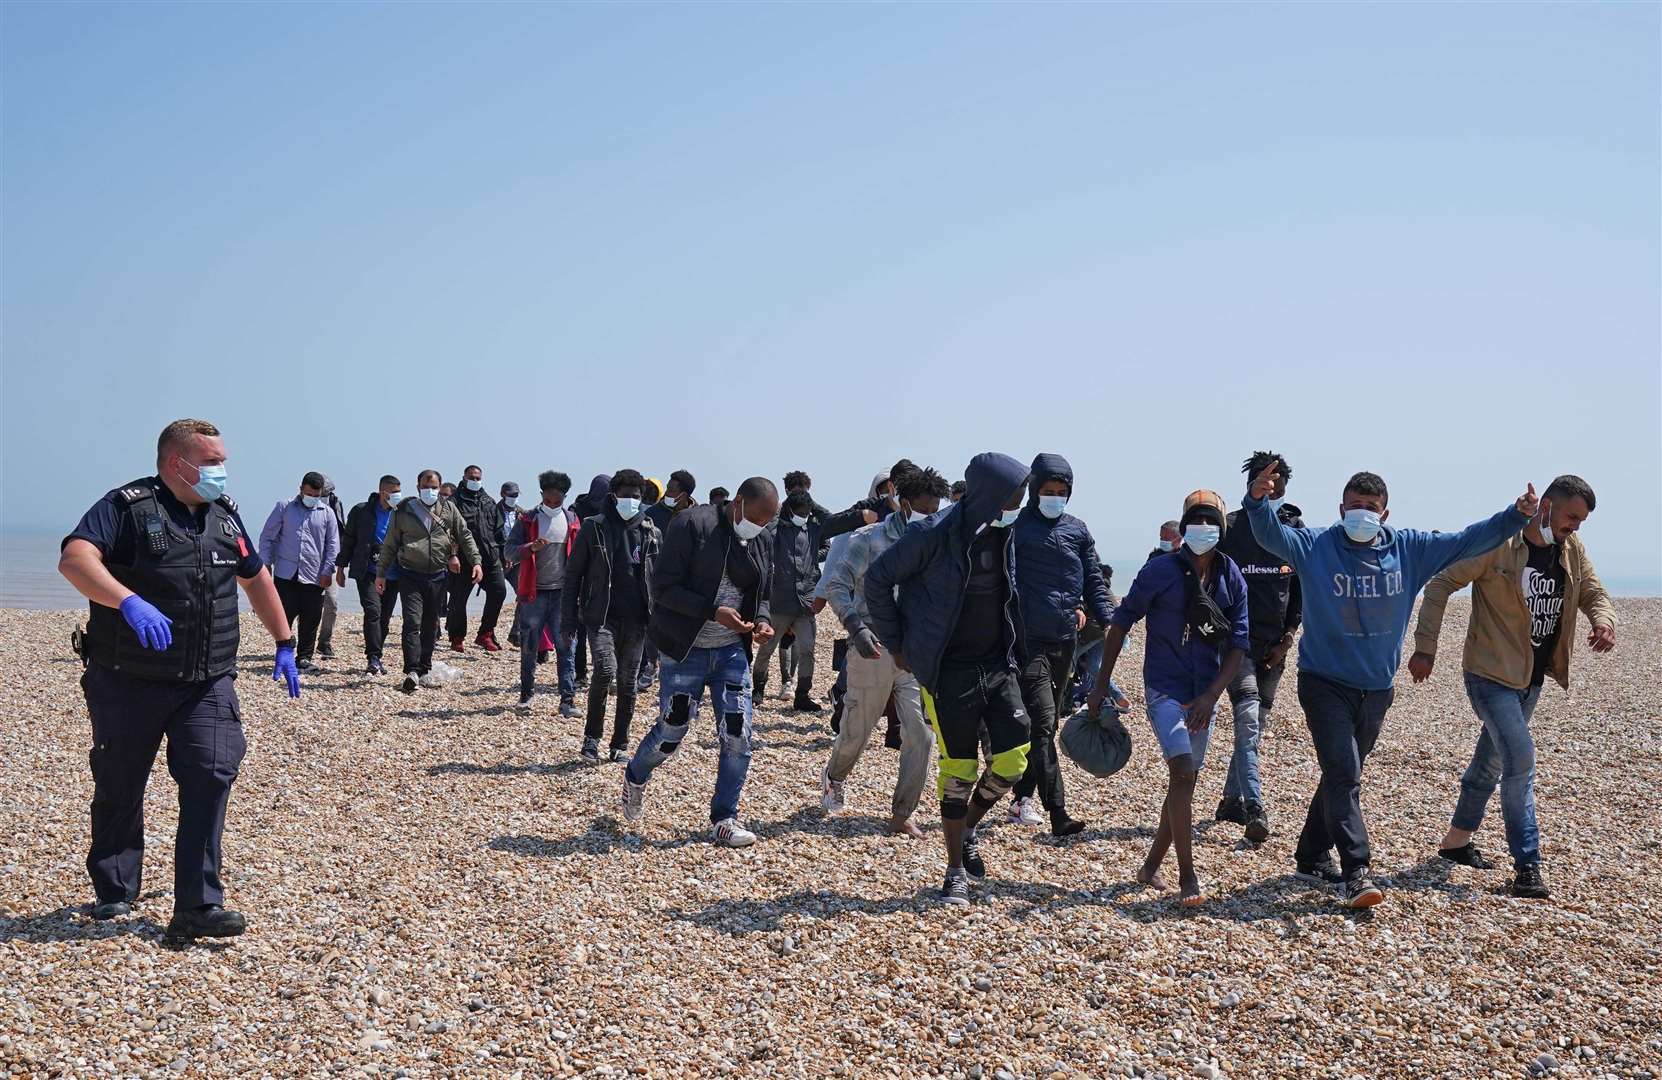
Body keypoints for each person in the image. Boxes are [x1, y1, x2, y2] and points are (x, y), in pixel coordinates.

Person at [1243, 458, 1538, 908]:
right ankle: (1356, 871)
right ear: (1341, 509)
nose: (1362, 512)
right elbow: (1270, 536)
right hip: (1324, 682)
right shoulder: (1316, 545)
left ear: (1385, 512)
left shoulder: (1409, 549)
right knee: (1346, 772)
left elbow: (1465, 541)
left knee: (1343, 770)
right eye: (1354, 505)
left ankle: (1310, 854)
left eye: (1371, 506)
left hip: (1377, 687)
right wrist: (1259, 501)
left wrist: (1515, 516)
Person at [59, 418, 301, 939]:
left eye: (221, 460)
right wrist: (127, 600)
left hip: (207, 680)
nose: (222, 471)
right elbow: (75, 559)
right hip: (128, 679)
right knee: (121, 781)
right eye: (212, 462)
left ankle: (197, 904)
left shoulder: (225, 517)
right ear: (176, 464)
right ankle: (116, 888)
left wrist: (284, 642)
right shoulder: (125, 507)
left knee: (212, 773)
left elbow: (255, 577)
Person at [1411, 475, 1616, 900]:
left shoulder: (1571, 548)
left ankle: (1455, 843)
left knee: (1490, 761)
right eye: (1571, 516)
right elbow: (1440, 582)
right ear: (1546, 505)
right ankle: (1528, 866)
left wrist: (1604, 621)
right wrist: (1425, 649)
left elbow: (1593, 590)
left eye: (1582, 521)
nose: (1575, 526)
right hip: (1489, 676)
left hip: (1532, 679)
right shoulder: (1499, 543)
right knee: (1520, 762)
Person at [864, 452, 1032, 906]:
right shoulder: (931, 534)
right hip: (946, 669)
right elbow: (877, 581)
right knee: (958, 769)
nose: (1021, 504)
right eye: (1015, 497)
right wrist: (898, 643)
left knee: (1014, 760)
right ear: (989, 496)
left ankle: (970, 824)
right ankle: (954, 869)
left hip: (998, 664)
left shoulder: (1006, 532)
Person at [1089, 490, 1250, 906]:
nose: (1203, 529)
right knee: (1181, 773)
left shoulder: (1232, 577)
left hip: (1204, 694)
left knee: (1185, 783)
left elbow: (1237, 645)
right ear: (1183, 528)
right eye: (1195, 521)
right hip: (1163, 688)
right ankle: (1188, 877)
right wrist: (1101, 684)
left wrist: (1212, 697)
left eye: (1210, 522)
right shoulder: (1158, 572)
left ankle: (1149, 867)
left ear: (1221, 529)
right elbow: (1120, 625)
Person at [620, 478, 779, 848]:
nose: (759, 527)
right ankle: (635, 775)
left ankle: (725, 817)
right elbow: (662, 587)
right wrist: (712, 611)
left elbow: (763, 593)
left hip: (731, 652)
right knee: (673, 729)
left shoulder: (763, 538)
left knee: (738, 734)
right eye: (756, 517)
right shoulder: (693, 524)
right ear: (738, 502)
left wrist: (763, 621)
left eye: (767, 521)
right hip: (684, 647)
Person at [821, 466, 948, 838]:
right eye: (925, 508)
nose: (931, 515)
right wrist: (855, 628)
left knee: (920, 736)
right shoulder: (869, 539)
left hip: (915, 653)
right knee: (856, 731)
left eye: (936, 509)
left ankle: (901, 813)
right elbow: (836, 586)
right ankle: (834, 775)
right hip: (871, 647)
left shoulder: (936, 543)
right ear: (904, 504)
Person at [1008, 453, 1115, 837]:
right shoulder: (1017, 528)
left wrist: (1107, 617)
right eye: (1048, 491)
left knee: (1047, 725)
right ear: (1034, 490)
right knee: (1041, 721)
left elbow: (1093, 578)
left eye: (1062, 492)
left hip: (1064, 642)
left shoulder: (1077, 530)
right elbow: (1007, 580)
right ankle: (1058, 813)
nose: (1055, 497)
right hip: (1027, 642)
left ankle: (1020, 798)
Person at [1213, 451, 1304, 843]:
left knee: (1257, 724)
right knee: (1247, 721)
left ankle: (1230, 799)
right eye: (1264, 477)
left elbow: (1300, 588)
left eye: (1279, 478)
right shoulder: (1230, 528)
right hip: (1237, 645)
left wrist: (1288, 637)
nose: (1273, 484)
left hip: (1275, 646)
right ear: (1251, 481)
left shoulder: (1293, 528)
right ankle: (1255, 806)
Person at [563, 470, 660, 763]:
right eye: (626, 493)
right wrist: (568, 620)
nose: (631, 499)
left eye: (636, 495)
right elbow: (573, 576)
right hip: (601, 616)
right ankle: (591, 739)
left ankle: (619, 743)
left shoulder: (650, 531)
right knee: (605, 672)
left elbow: (660, 579)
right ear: (613, 495)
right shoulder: (595, 528)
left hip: (637, 620)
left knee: (628, 682)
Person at [753, 491, 873, 710]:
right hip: (779, 602)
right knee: (767, 649)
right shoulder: (776, 529)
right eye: (800, 513)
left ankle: (802, 695)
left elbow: (838, 521)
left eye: (807, 513)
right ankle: (758, 689)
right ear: (789, 511)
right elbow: (762, 535)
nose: (805, 516)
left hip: (805, 603)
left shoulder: (814, 528)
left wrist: (864, 513)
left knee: (807, 650)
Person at [376, 469, 482, 694]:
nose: (430, 491)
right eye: (426, 487)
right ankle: (412, 670)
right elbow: (390, 543)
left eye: (434, 487)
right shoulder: (404, 510)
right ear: (417, 487)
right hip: (410, 574)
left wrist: (476, 562)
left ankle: (424, 666)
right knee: (412, 621)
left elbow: (464, 535)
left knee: (430, 623)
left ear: (440, 487)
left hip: (437, 576)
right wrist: (381, 573)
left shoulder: (448, 509)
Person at [508, 471, 581, 714]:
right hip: (533, 593)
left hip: (563, 595)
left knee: (566, 647)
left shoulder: (572, 520)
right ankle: (526, 696)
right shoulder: (528, 519)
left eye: (557, 501)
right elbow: (509, 552)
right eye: (547, 500)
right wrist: (530, 548)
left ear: (564, 497)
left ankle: (567, 700)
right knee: (529, 646)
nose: (551, 505)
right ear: (541, 495)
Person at [257, 471, 341, 671]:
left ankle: (304, 657)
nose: (313, 498)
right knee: (283, 616)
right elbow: (267, 536)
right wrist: (265, 563)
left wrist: (328, 570)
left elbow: (333, 545)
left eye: (317, 494)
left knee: (311, 618)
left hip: (314, 575)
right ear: (301, 489)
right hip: (286, 573)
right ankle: (283, 651)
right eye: (309, 493)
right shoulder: (284, 507)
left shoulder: (327, 513)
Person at [337, 475, 404, 675]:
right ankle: (373, 657)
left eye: (399, 492)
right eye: (394, 492)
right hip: (368, 571)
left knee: (384, 616)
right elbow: (348, 540)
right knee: (373, 611)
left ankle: (378, 655)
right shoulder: (361, 511)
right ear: (383, 493)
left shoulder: (402, 513)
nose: (397, 496)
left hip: (394, 574)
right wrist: (341, 568)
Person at [640, 469, 696, 690]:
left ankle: (676, 667)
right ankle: (651, 665)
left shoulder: (697, 516)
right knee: (652, 623)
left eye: (673, 491)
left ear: (684, 494)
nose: (669, 494)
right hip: (656, 577)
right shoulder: (654, 513)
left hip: (685, 581)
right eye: (668, 489)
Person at [446, 464, 508, 652]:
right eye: (471, 477)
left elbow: (499, 530)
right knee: (458, 599)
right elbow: (445, 531)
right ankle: (457, 636)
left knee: (499, 591)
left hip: (490, 558)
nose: (475, 481)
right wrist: (452, 555)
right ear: (464, 478)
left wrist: (504, 554)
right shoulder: (453, 502)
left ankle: (486, 633)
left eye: (478, 478)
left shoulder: (488, 501)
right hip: (464, 560)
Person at [567, 474, 612, 689]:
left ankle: (602, 671)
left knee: (602, 627)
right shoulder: (577, 510)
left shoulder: (611, 511)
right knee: (580, 627)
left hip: (603, 577)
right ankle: (580, 673)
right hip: (581, 573)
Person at [315, 474, 347, 661]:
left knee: (332, 602)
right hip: (306, 564)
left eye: (326, 492)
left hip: (330, 561)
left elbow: (342, 533)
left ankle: (324, 641)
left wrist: (341, 563)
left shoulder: (335, 504)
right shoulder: (295, 506)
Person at [499, 482, 524, 647]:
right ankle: (486, 633)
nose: (513, 498)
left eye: (516, 495)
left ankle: (516, 633)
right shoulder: (493, 512)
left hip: (517, 562)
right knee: (497, 595)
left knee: (524, 596)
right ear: (502, 494)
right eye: (511, 495)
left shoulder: (522, 513)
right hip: (498, 561)